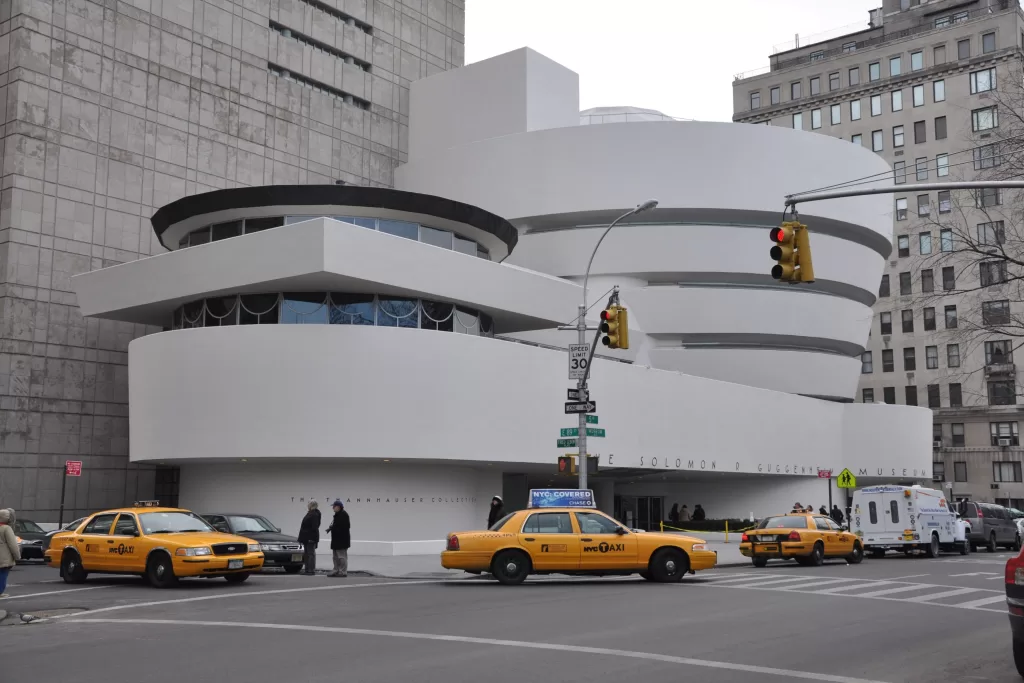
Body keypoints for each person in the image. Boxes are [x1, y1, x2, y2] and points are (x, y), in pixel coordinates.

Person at [325, 500, 350, 578]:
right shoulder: (337, 515)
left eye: (334, 506)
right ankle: (336, 570)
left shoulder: (343, 515)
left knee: (341, 556)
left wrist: (334, 529)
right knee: (335, 556)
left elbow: (344, 528)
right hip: (336, 539)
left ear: (338, 507)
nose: (333, 508)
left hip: (341, 540)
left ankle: (342, 571)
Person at [0, 508, 20, 598]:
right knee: (3, 574)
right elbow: (13, 544)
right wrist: (17, 556)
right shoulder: (6, 529)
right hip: (4, 557)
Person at [297, 500, 321, 575]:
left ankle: (311, 570)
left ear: (311, 505)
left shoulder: (314, 514)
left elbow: (314, 527)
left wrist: (312, 538)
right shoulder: (311, 513)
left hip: (310, 537)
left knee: (310, 554)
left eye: (308, 504)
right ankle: (307, 569)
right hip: (306, 537)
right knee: (307, 554)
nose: (307, 506)